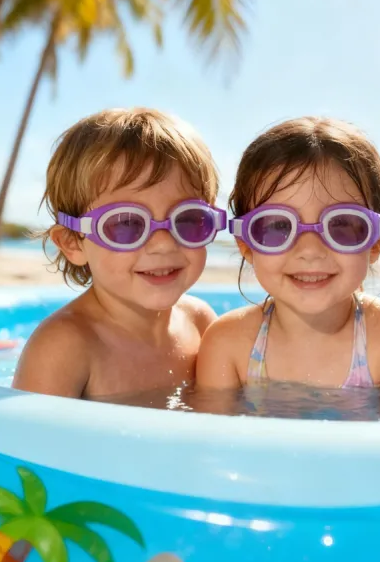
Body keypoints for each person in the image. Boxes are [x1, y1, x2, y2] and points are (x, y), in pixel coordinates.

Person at [195, 116, 380, 401]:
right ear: (246, 245)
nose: (310, 250)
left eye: (342, 225)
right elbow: (212, 443)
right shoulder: (227, 343)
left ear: (376, 242)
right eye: (277, 226)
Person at [13, 107, 224, 400]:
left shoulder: (200, 321)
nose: (163, 243)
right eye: (126, 224)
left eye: (188, 219)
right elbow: (22, 443)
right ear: (73, 242)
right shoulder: (65, 347)